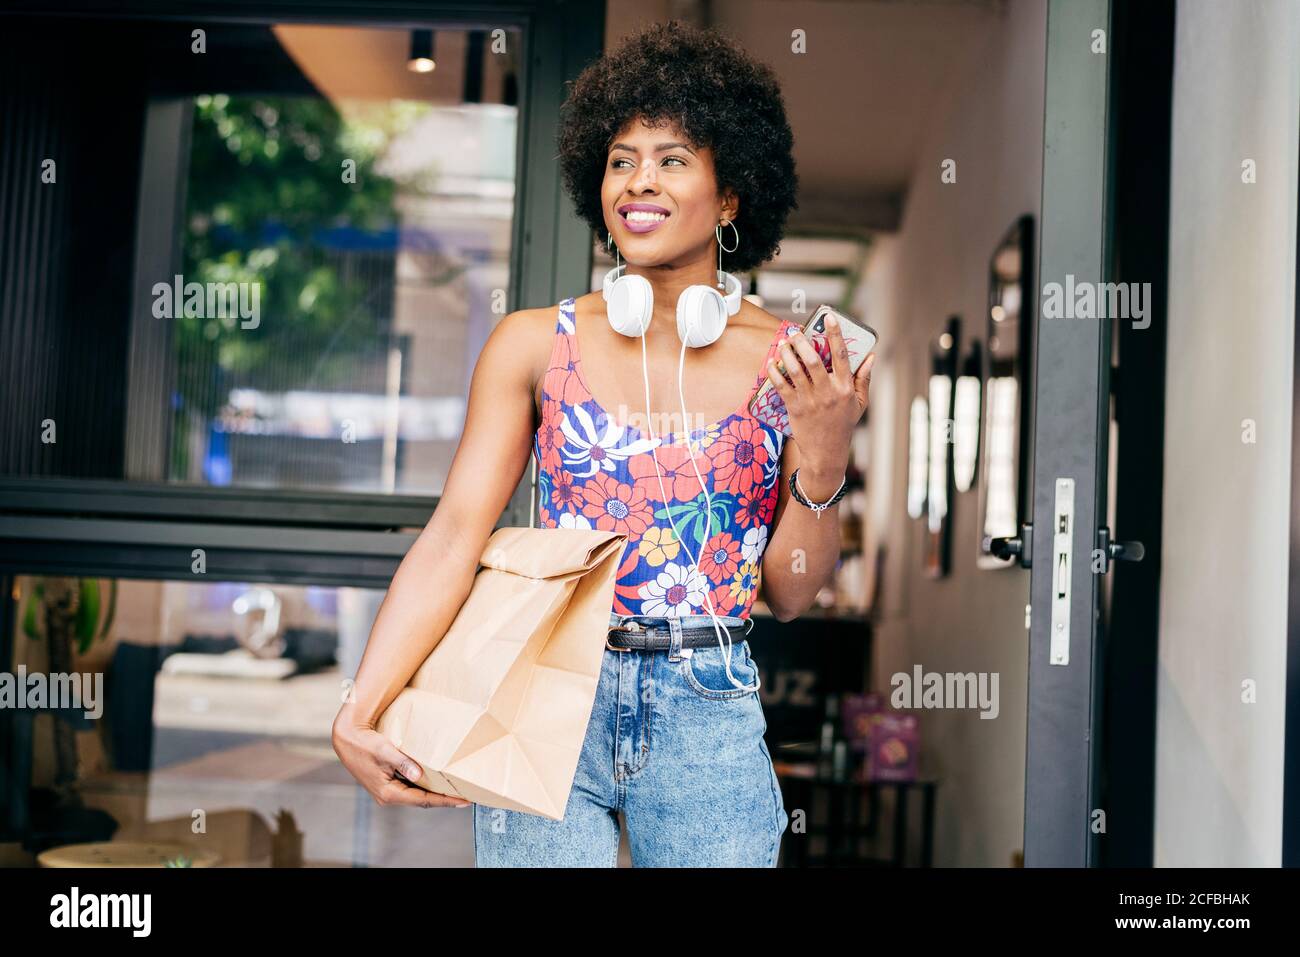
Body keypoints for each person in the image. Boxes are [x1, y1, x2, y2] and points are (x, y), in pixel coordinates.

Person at [332, 20, 874, 867]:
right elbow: (452, 535)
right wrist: (359, 707)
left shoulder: (792, 367)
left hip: (708, 705)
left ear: (731, 196)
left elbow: (793, 594)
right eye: (622, 158)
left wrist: (826, 455)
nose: (639, 181)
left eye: (672, 158)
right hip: (544, 684)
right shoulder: (530, 344)